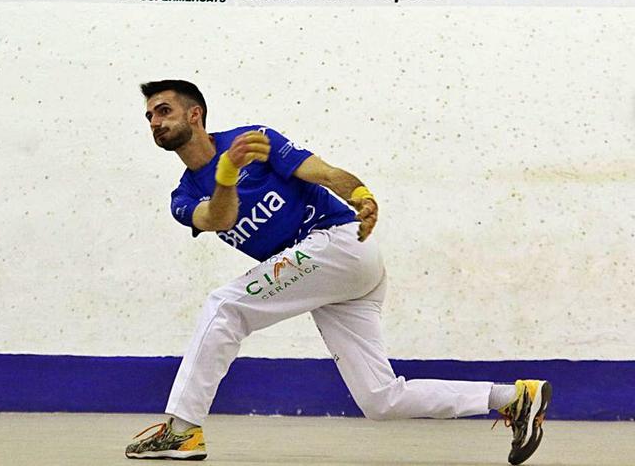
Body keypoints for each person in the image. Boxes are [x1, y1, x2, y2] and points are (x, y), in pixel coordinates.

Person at [125, 80, 551, 465]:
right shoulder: (183, 196)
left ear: (194, 113)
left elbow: (326, 174)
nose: (155, 122)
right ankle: (514, 397)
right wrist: (226, 175)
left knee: (225, 307)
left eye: (163, 111)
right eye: (149, 117)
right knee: (381, 399)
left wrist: (361, 194)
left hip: (338, 244)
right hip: (330, 276)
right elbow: (220, 217)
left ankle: (181, 431)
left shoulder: (254, 141)